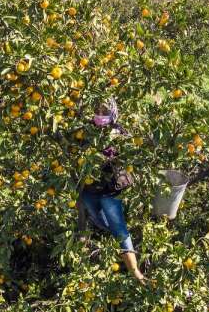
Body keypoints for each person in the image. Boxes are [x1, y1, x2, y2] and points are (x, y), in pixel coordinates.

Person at [77, 98, 145, 282]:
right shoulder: (87, 130)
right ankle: (105, 238)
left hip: (109, 191)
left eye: (105, 112)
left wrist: (112, 155)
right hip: (89, 189)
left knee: (119, 228)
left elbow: (130, 156)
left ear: (113, 113)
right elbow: (76, 149)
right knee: (97, 218)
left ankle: (135, 271)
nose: (100, 115)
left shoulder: (120, 132)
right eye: (98, 110)